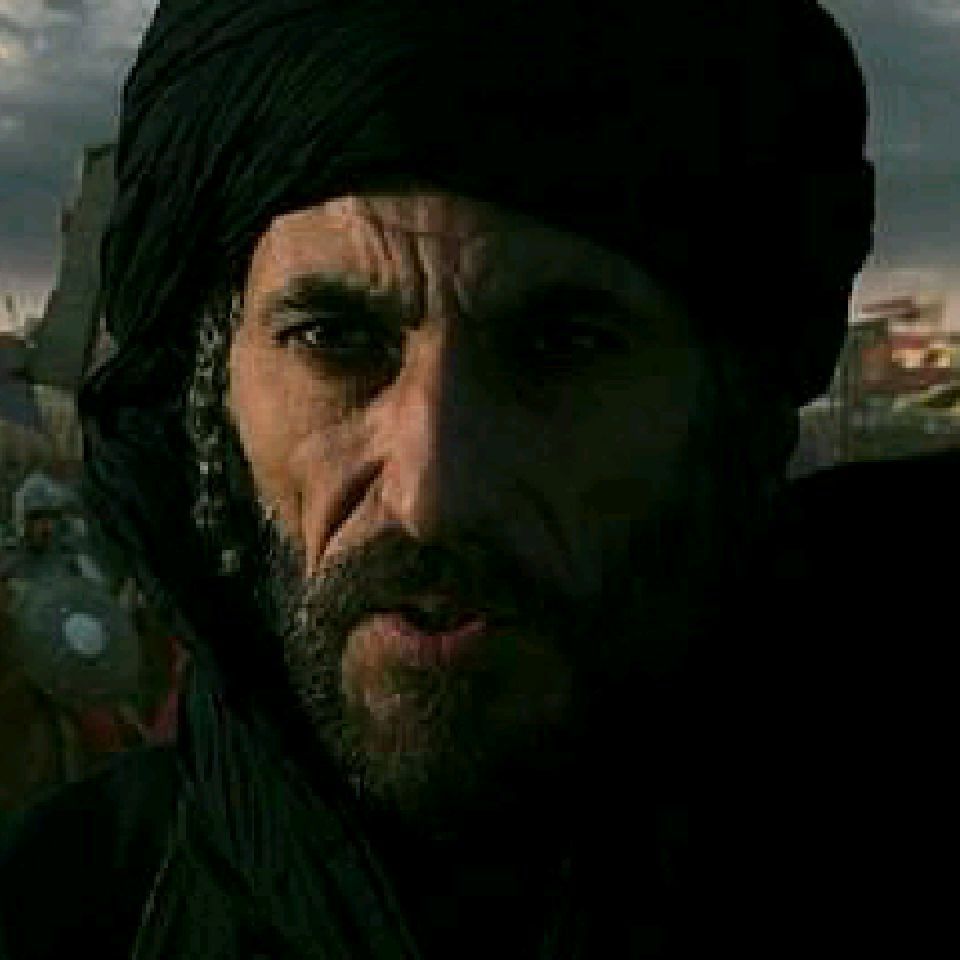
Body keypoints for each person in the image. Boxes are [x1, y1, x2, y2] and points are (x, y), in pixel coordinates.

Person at [0, 1, 884, 956]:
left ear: (722, 408)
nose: (432, 496)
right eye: (333, 340)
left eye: (561, 348)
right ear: (213, 393)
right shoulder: (58, 910)